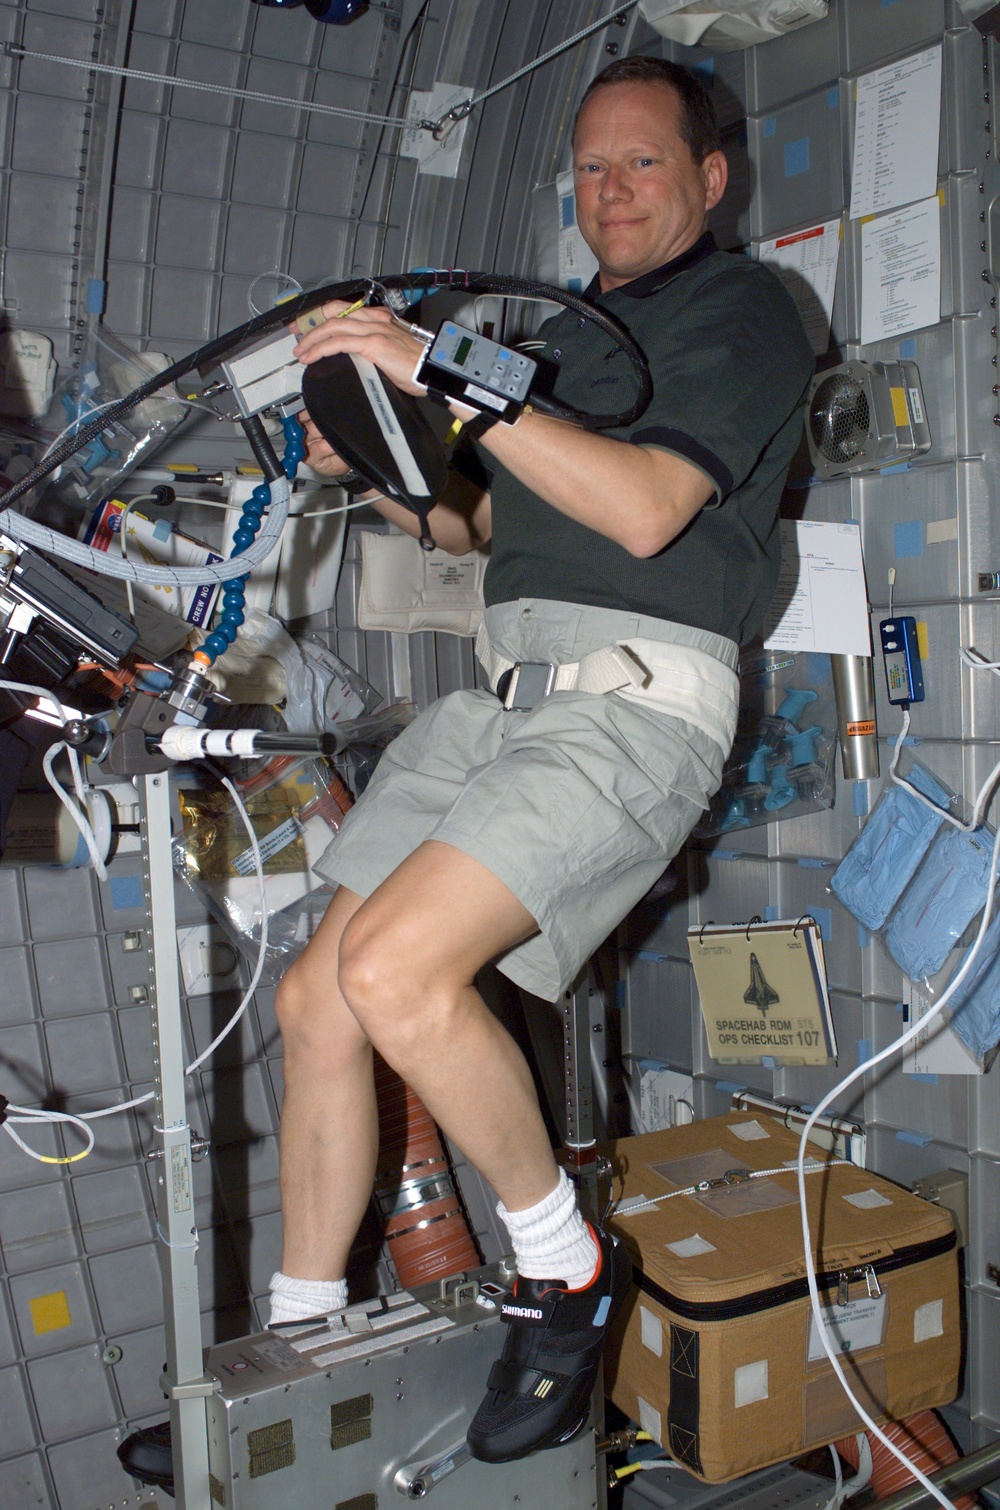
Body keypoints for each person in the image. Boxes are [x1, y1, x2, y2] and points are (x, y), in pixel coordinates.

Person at [270, 55, 815, 1464]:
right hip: (506, 699)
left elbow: (640, 511)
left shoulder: (742, 309)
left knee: (399, 970)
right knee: (318, 999)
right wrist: (378, 454)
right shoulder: (559, 354)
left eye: (642, 162)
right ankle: (305, 1347)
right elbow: (472, 535)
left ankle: (564, 1267)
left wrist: (435, 361)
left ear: (711, 178)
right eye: (587, 166)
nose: (608, 189)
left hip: (635, 703)